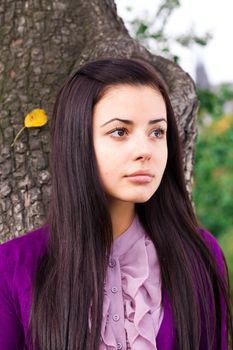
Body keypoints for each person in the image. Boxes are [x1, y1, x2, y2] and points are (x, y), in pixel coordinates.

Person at [0, 58, 232, 350]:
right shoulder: (11, 267)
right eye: (120, 132)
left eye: (157, 132)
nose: (145, 151)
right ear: (77, 141)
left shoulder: (198, 255)